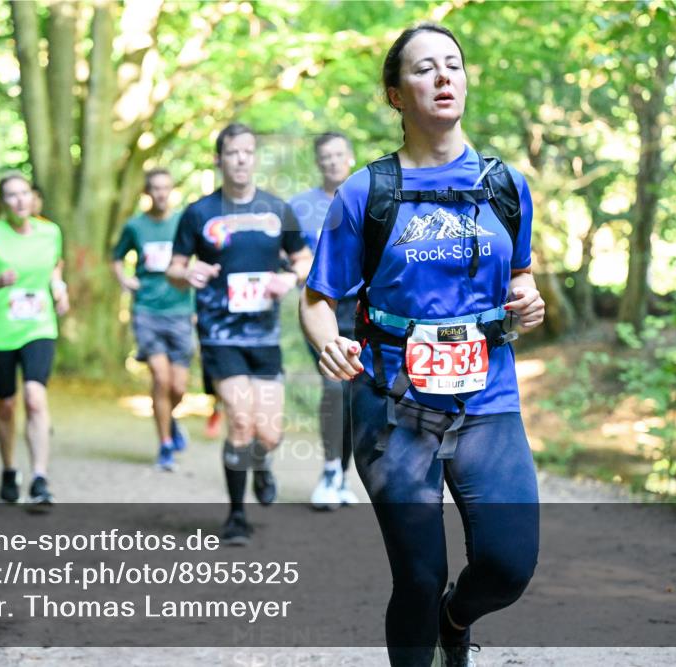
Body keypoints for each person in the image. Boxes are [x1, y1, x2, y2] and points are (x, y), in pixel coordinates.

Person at [300, 24, 545, 666]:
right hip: (393, 400)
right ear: (394, 94)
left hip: (487, 394)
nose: (443, 77)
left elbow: (519, 272)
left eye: (453, 65)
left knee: (508, 564)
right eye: (424, 68)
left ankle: (455, 620)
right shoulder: (366, 192)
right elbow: (318, 297)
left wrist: (529, 296)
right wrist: (329, 343)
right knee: (417, 574)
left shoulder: (504, 185)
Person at [167, 123, 311, 546]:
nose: (242, 159)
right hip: (219, 334)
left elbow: (304, 259)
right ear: (219, 159)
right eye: (233, 152)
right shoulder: (199, 212)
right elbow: (175, 268)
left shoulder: (277, 209)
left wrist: (289, 279)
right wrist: (186, 272)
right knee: (240, 419)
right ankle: (236, 516)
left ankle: (262, 464)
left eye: (249, 151)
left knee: (268, 434)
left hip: (264, 337)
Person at [0, 173, 70, 508]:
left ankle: (40, 477)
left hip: (38, 326)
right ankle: (9, 469)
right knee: (6, 405)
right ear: (3, 203)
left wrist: (59, 289)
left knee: (35, 397)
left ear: (33, 197)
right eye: (12, 196)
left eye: (24, 193)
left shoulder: (50, 232)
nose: (20, 200)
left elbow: (54, 269)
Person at [289, 132, 361, 510]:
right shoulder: (299, 206)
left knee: (356, 394)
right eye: (325, 157)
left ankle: (342, 475)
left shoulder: (366, 198)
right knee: (335, 385)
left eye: (338, 155)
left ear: (349, 158)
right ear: (318, 163)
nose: (332, 161)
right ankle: (331, 470)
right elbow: (288, 256)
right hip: (322, 307)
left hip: (363, 309)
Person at [112, 168, 194, 470]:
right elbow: (116, 257)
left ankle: (169, 420)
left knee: (179, 387)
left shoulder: (183, 223)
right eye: (155, 188)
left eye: (165, 188)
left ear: (171, 190)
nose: (161, 193)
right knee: (161, 377)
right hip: (147, 310)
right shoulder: (135, 226)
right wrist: (124, 280)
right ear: (147, 192)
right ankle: (165, 446)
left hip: (181, 310)